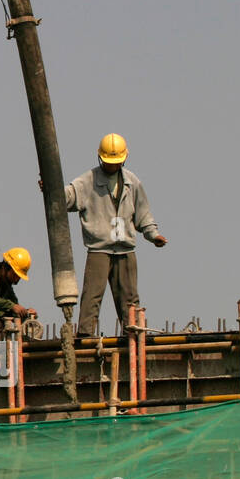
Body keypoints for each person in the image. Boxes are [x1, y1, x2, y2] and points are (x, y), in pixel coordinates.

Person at [65, 133, 168, 336]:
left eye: (116, 162)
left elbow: (143, 214)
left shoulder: (132, 182)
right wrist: (51, 190)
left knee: (129, 300)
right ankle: (85, 336)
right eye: (109, 162)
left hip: (125, 250)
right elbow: (68, 196)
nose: (112, 166)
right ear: (100, 158)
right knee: (91, 298)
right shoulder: (88, 181)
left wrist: (153, 234)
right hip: (99, 250)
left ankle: (134, 337)